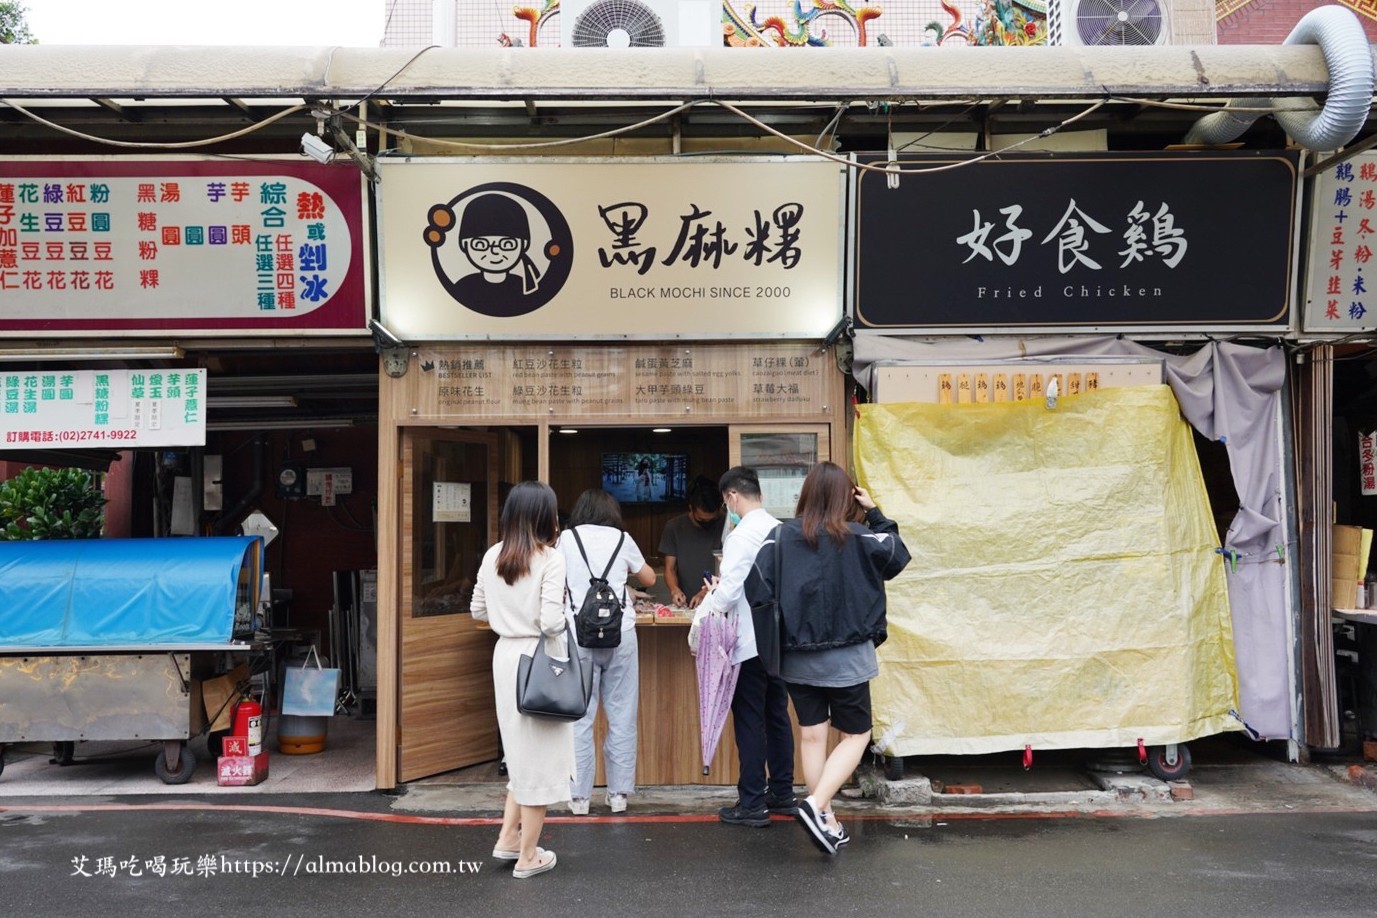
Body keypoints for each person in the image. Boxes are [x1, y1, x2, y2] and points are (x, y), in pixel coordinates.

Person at [747, 461, 910, 855]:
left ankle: (827, 819)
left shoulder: (779, 538)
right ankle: (816, 805)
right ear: (845, 498)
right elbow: (898, 555)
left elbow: (756, 587)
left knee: (812, 734)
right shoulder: (861, 537)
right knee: (857, 735)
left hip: (796, 657)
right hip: (848, 656)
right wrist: (872, 511)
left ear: (804, 495)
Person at [470, 480, 571, 879]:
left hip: (505, 656)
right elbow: (550, 621)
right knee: (541, 761)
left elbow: (477, 609)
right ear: (545, 516)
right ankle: (528, 857)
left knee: (520, 754)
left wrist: (506, 615)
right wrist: (563, 621)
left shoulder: (493, 555)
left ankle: (509, 839)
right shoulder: (550, 558)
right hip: (539, 657)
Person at [691, 466, 795, 827]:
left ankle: (752, 802)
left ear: (731, 497)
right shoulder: (780, 530)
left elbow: (732, 591)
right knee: (777, 716)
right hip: (778, 642)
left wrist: (711, 601)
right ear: (760, 495)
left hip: (748, 644)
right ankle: (782, 792)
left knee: (750, 719)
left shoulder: (740, 535)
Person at [557, 488, 656, 815]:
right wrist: (621, 580)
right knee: (622, 714)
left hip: (578, 635)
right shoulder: (622, 538)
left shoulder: (567, 540)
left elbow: (556, 580)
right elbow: (650, 578)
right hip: (621, 633)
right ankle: (617, 796)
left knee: (580, 718)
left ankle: (580, 798)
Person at [658, 475, 724, 609]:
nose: (707, 523)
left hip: (720, 603)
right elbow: (670, 569)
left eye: (712, 519)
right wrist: (675, 590)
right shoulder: (674, 527)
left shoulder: (727, 525)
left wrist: (707, 591)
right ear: (690, 508)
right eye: (702, 520)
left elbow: (732, 569)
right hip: (688, 605)